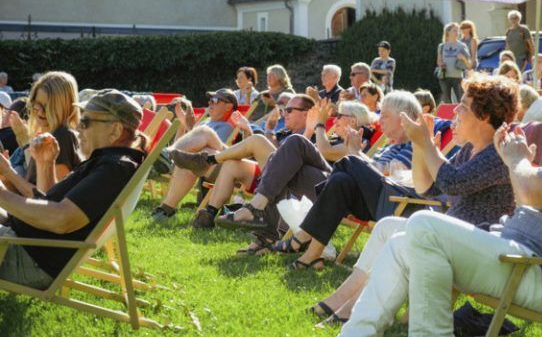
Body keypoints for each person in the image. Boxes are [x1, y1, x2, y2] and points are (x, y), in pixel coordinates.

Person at [280, 78, 542, 337]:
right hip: (517, 256)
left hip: (537, 273)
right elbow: (518, 189)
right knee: (404, 236)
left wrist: (517, 160)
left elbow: (530, 192)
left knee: (421, 225)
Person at [307, 76, 542, 324]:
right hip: (452, 235)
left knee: (400, 235)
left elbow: (452, 182)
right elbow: (428, 188)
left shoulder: (497, 153)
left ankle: (355, 309)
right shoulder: (471, 150)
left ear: (483, 116)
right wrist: (419, 147)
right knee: (385, 227)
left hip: (476, 245)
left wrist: (426, 144)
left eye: (463, 106)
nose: (455, 111)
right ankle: (343, 300)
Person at [267, 91, 450, 269]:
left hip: (396, 204)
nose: (380, 120)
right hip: (377, 201)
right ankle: (312, 256)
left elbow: (393, 177)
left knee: (349, 162)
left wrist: (357, 154)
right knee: (340, 180)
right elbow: (375, 173)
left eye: (385, 116)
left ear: (403, 119)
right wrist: (359, 155)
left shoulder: (414, 144)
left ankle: (303, 235)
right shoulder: (388, 146)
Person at [0, 89, 147, 288]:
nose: (78, 128)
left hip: (26, 256)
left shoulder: (113, 168)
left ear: (115, 131)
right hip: (24, 241)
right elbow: (52, 205)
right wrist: (45, 164)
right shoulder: (109, 161)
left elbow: (61, 220)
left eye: (85, 122)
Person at [166, 94, 316, 229]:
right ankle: (210, 214)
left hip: (291, 182)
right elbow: (258, 156)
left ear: (306, 114)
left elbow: (297, 161)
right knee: (232, 164)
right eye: (284, 110)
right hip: (267, 175)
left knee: (255, 139)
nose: (285, 114)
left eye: (289, 110)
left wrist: (269, 131)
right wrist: (251, 130)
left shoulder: (313, 136)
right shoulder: (283, 132)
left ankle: (206, 159)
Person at [150, 89, 238, 222]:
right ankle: (165, 210)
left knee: (202, 136)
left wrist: (191, 127)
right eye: (210, 100)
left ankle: (166, 157)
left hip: (219, 162)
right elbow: (188, 147)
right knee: (187, 158)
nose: (210, 103)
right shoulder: (205, 122)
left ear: (228, 106)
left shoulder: (227, 126)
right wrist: (183, 125)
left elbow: (210, 151)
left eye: (215, 100)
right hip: (198, 160)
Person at [0, 72, 82, 197]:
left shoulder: (61, 135)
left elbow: (51, 199)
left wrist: (9, 172)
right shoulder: (45, 135)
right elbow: (26, 196)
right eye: (36, 103)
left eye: (47, 106)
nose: (40, 111)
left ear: (64, 106)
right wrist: (5, 177)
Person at [436, 23, 471, 104]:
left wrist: (463, 58)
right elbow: (438, 61)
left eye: (457, 31)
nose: (457, 33)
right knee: (447, 101)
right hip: (444, 77)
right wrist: (441, 64)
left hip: (458, 77)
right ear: (448, 32)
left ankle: (460, 116)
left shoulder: (462, 46)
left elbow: (468, 65)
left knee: (461, 100)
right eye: (454, 30)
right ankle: (449, 116)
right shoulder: (441, 46)